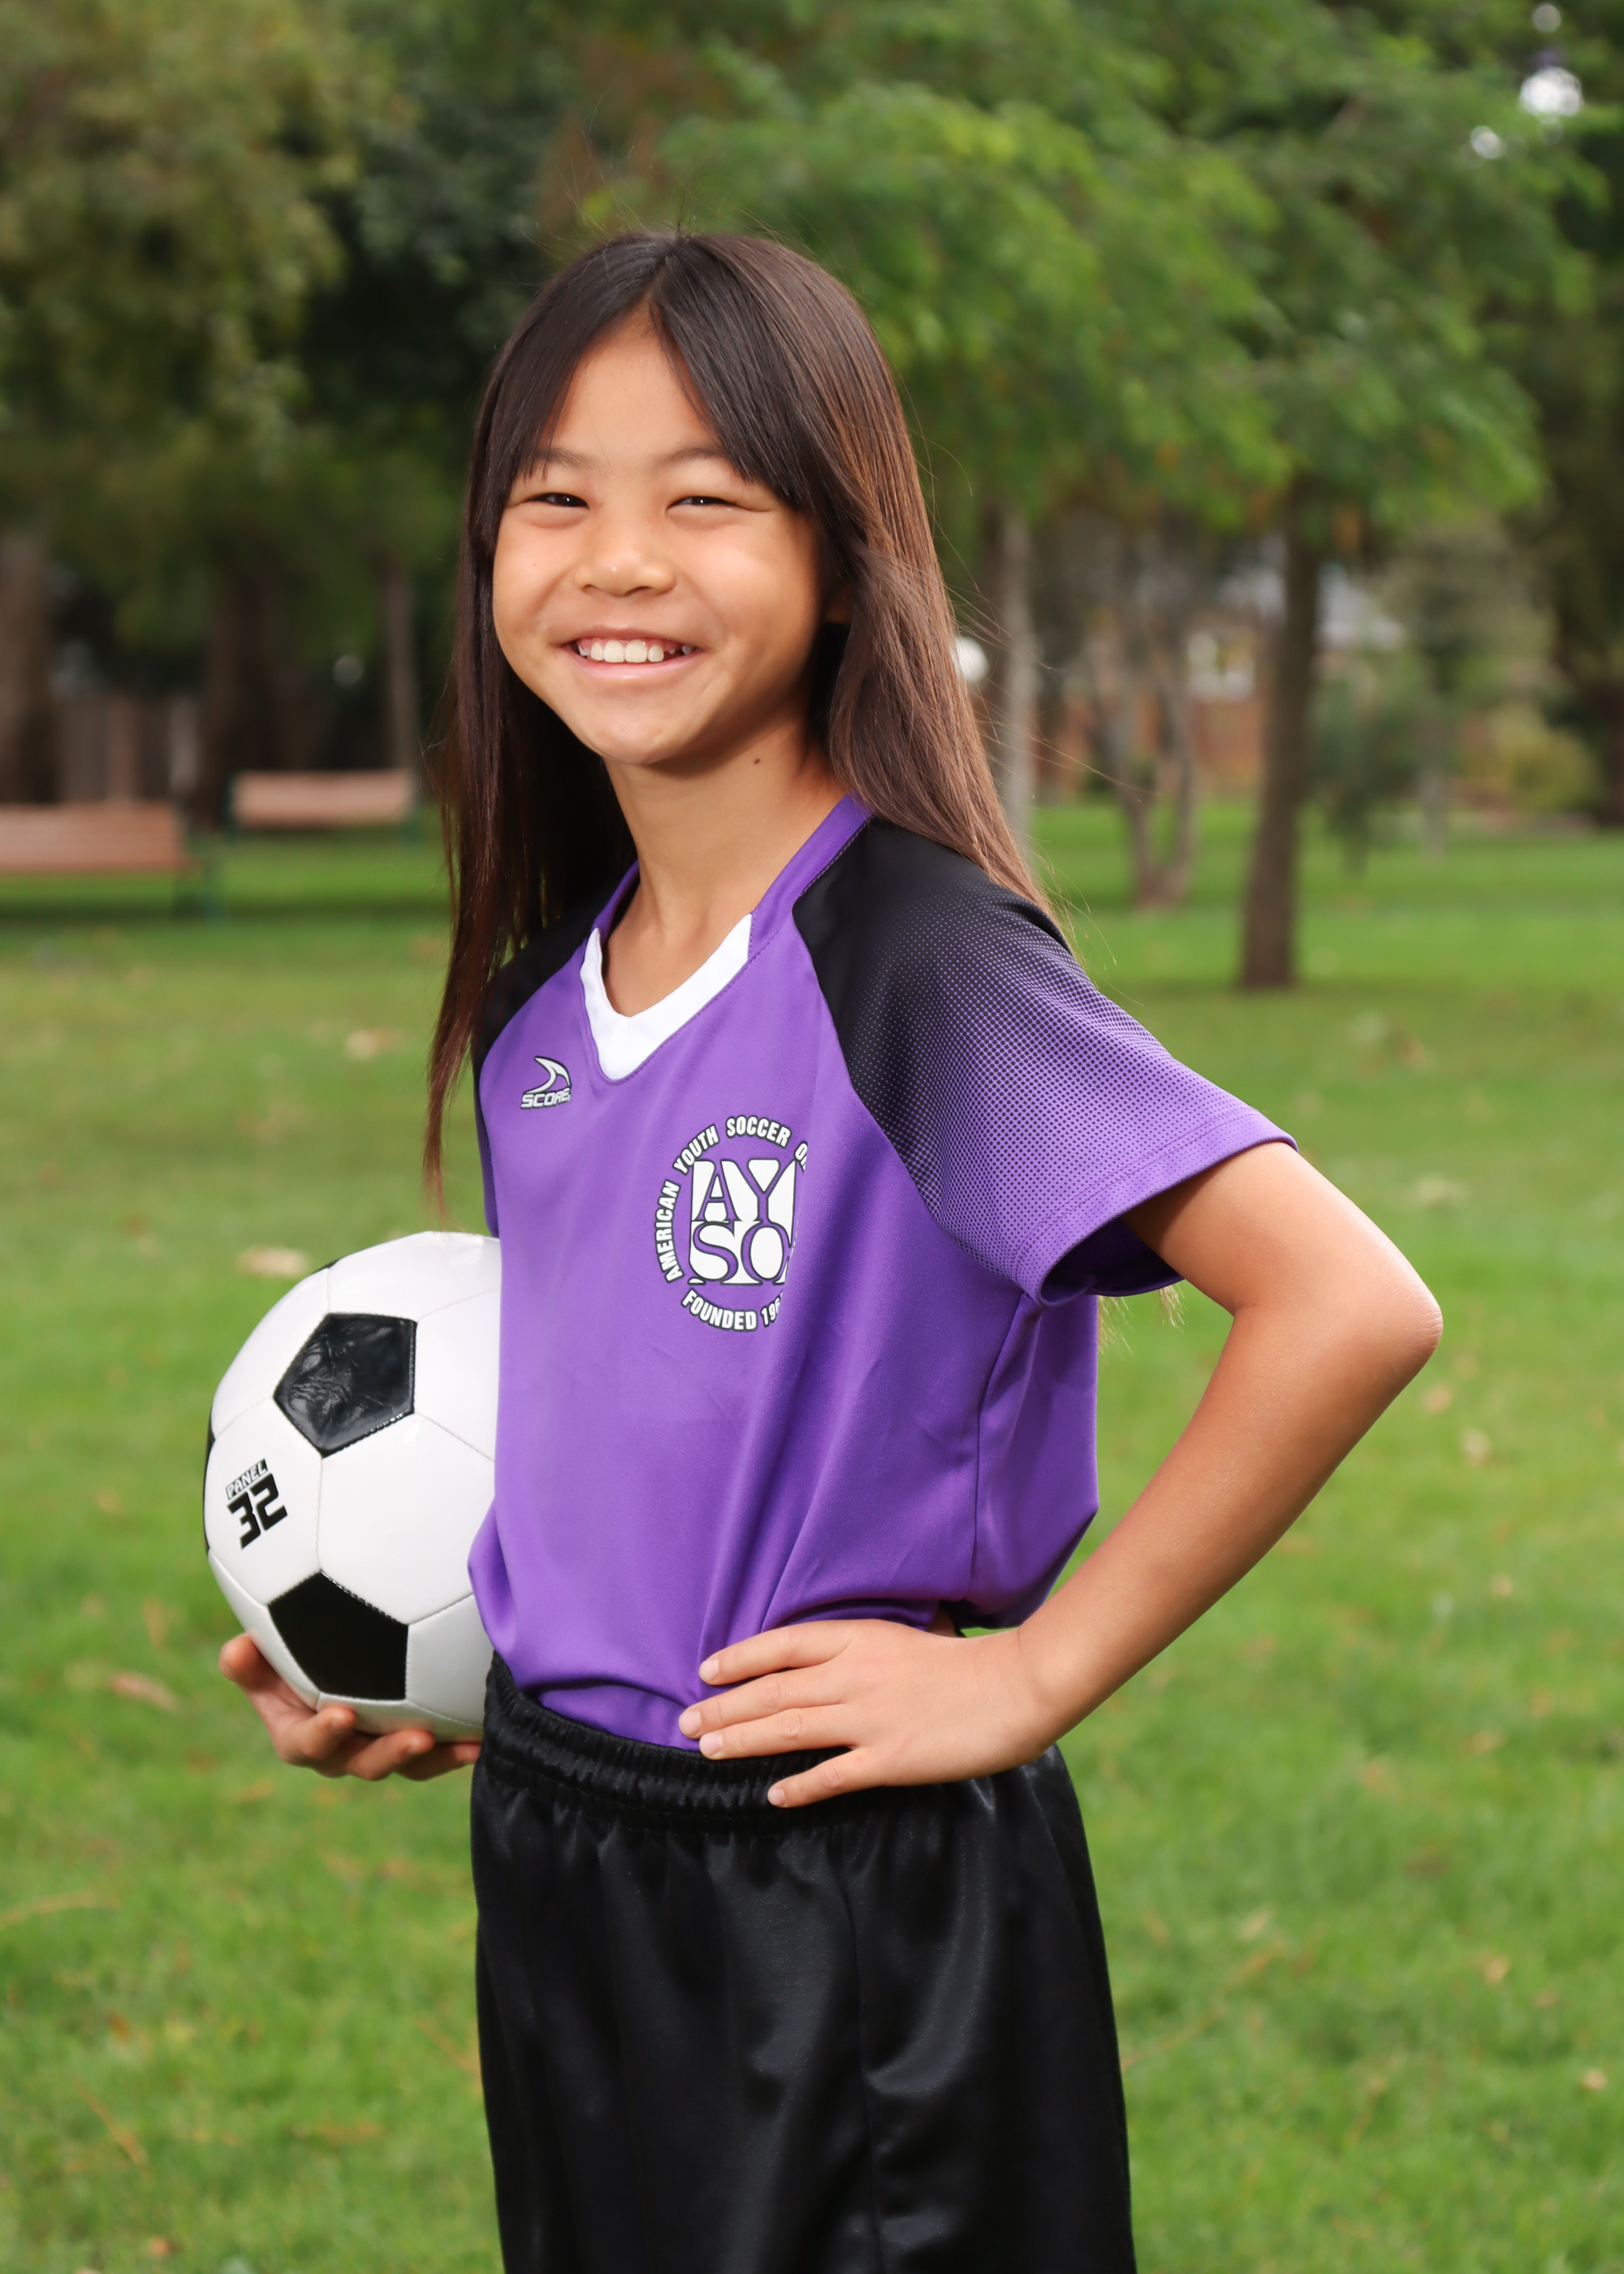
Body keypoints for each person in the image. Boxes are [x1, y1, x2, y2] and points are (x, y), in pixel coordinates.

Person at [222, 231, 1442, 2273]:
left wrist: (1034, 1671)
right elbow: (656, 1442)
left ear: (844, 558)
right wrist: (458, 1669)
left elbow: (1346, 1300)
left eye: (706, 498)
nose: (620, 560)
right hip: (566, 1864)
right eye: (557, 497)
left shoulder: (912, 958)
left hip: (845, 1902)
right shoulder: (543, 1016)